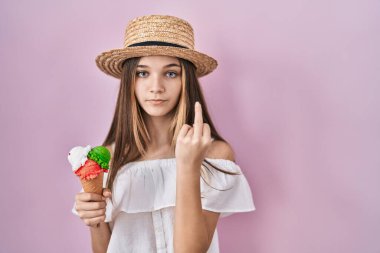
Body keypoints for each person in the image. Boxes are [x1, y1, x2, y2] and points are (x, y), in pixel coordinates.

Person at [72, 14, 255, 253]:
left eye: (171, 73)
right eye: (142, 73)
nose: (156, 87)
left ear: (186, 81)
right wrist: (95, 220)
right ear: (130, 81)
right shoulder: (107, 158)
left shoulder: (214, 153)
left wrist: (188, 165)